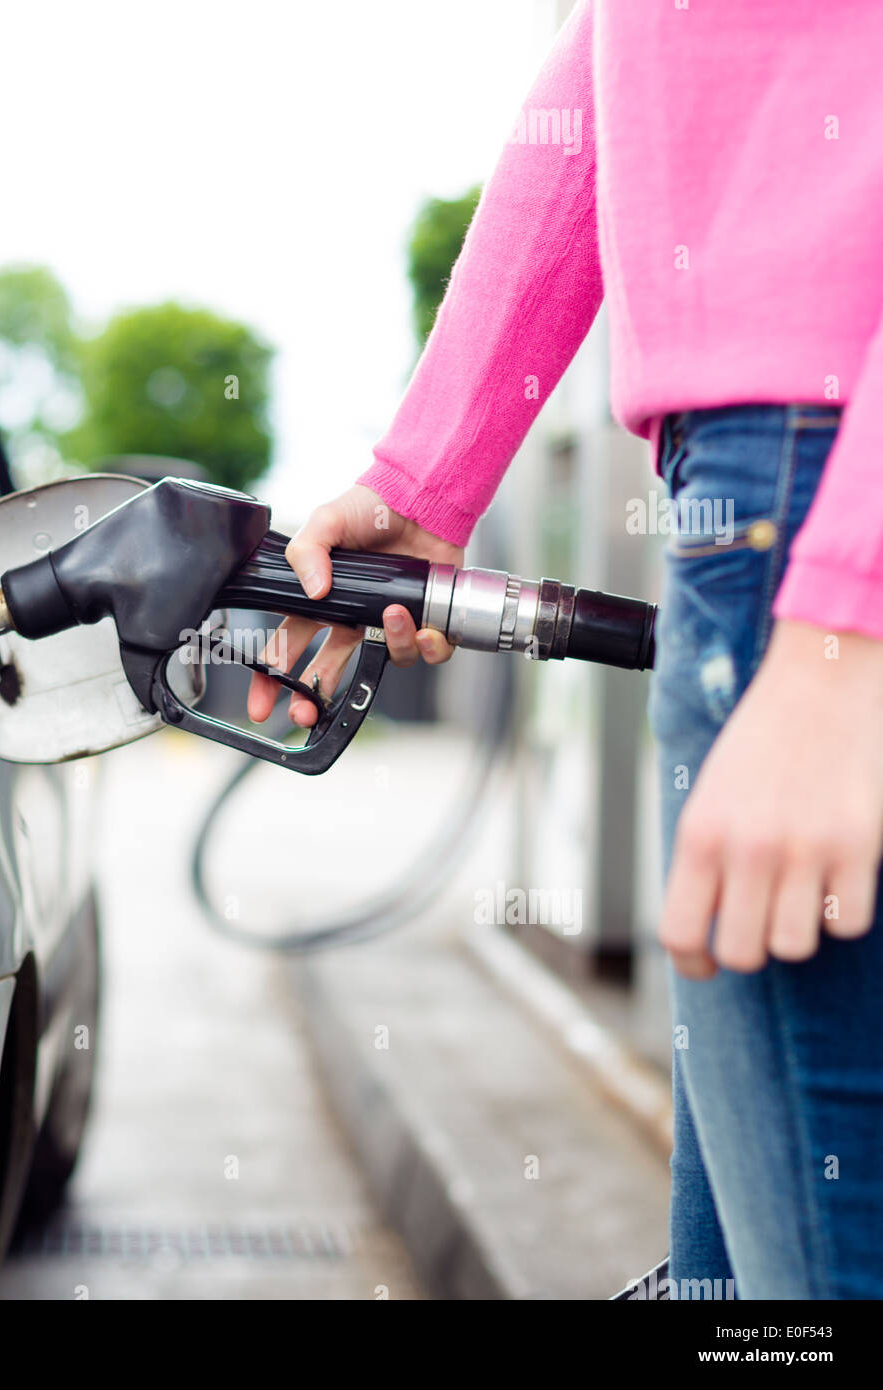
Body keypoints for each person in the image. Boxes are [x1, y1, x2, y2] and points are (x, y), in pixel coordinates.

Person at [248, 0, 883, 1299]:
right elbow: (621, 55)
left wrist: (852, 618)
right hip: (752, 499)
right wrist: (427, 479)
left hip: (820, 486)